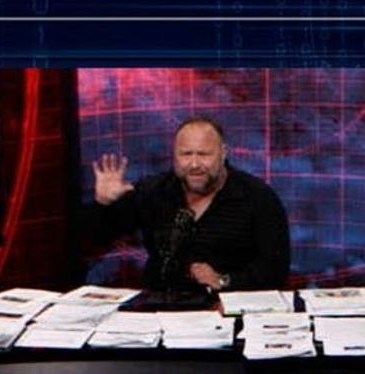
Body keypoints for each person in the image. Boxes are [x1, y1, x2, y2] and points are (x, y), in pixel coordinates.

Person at [87, 115, 290, 293]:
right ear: (175, 155)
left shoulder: (257, 197)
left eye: (203, 154)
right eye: (186, 154)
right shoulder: (153, 191)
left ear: (223, 153)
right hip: (161, 309)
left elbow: (275, 270)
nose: (194, 164)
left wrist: (224, 280)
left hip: (227, 309)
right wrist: (102, 204)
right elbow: (98, 239)